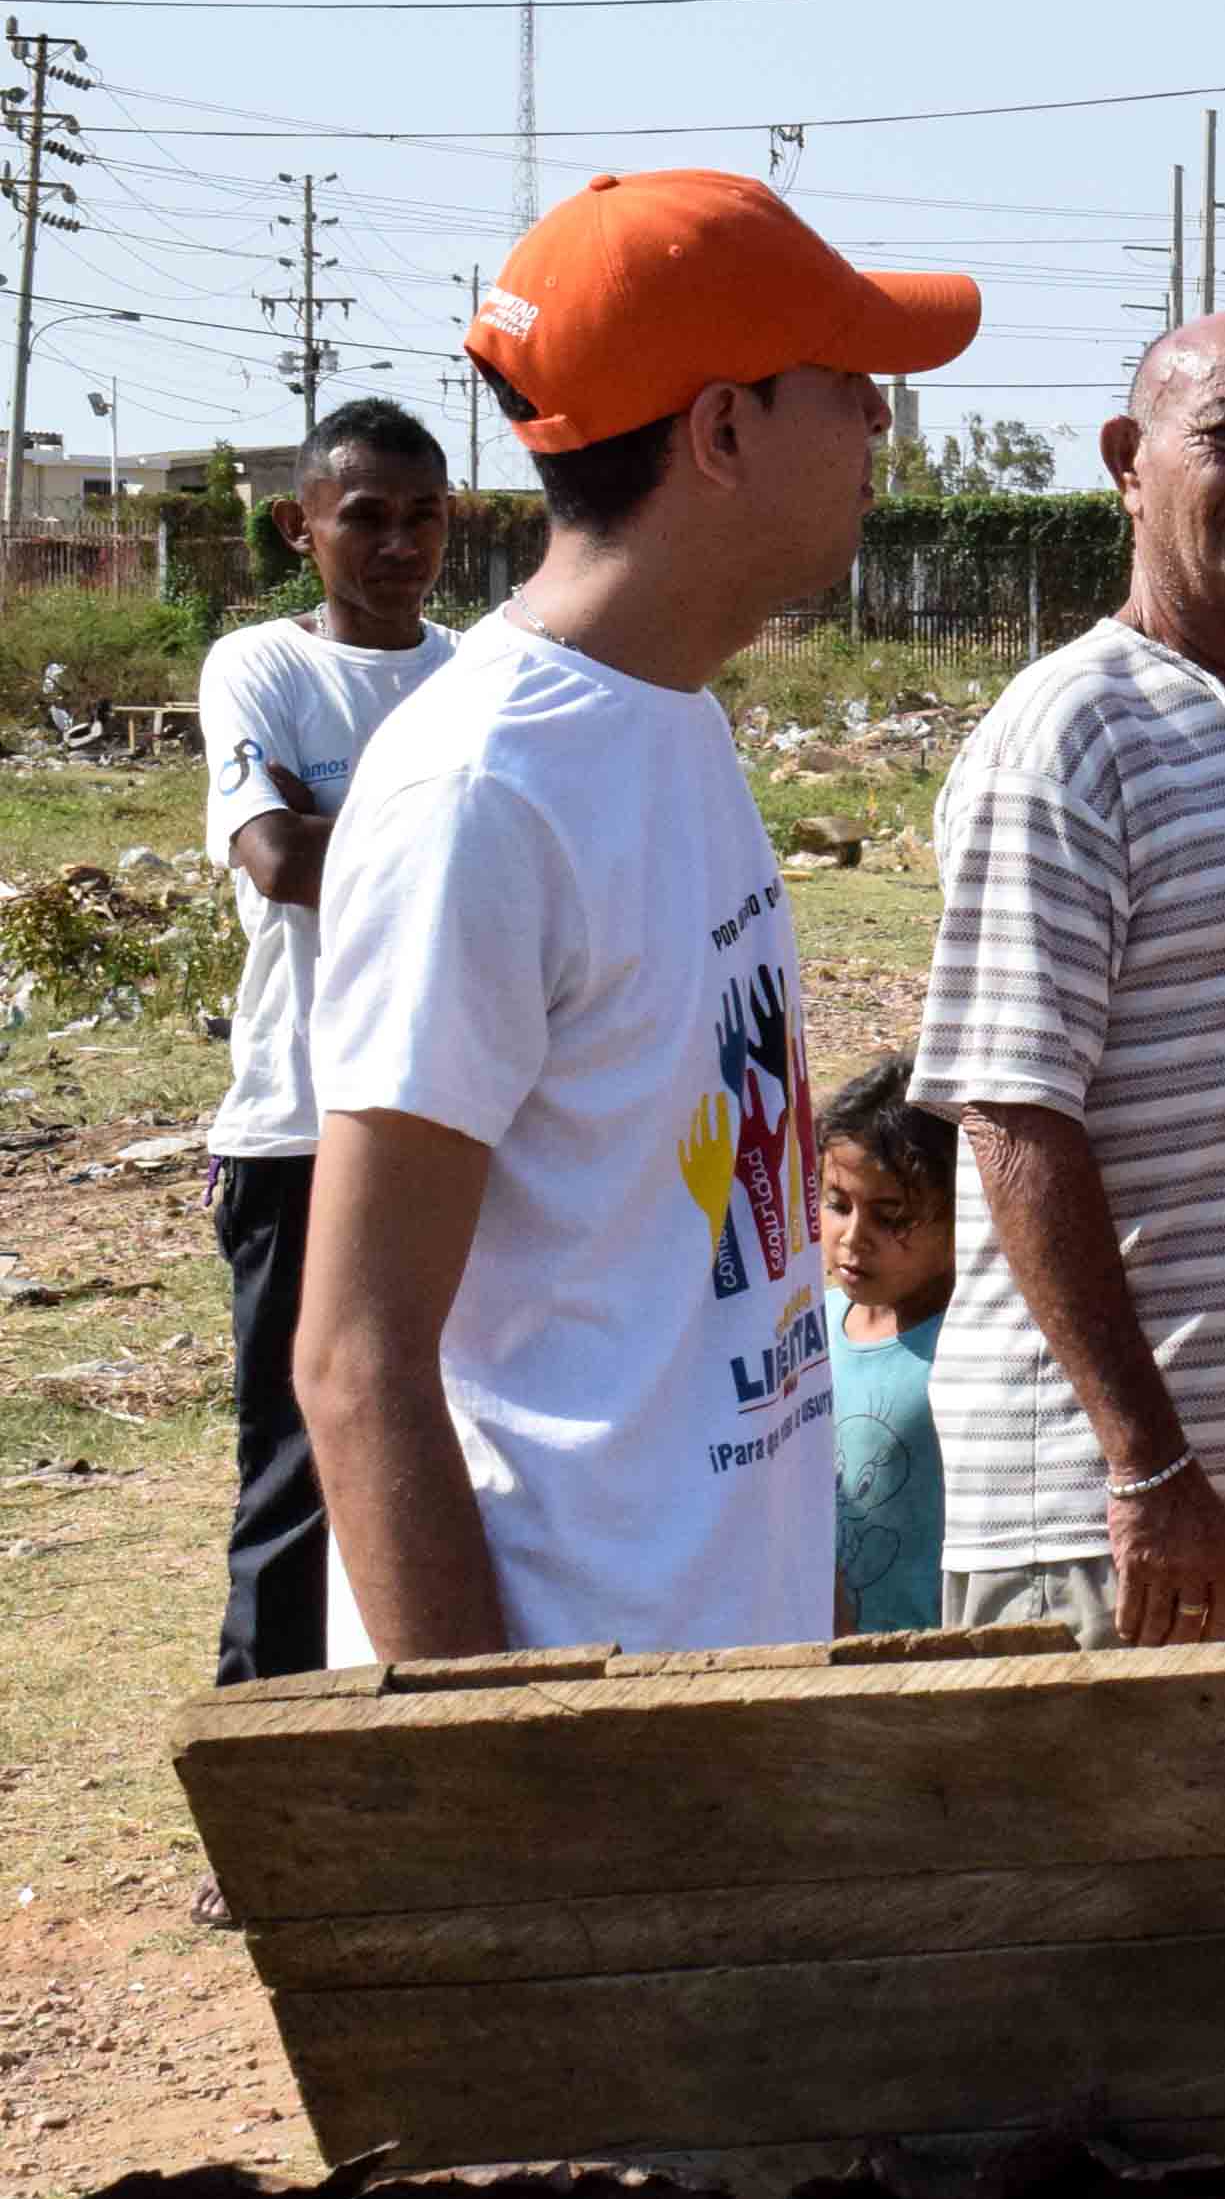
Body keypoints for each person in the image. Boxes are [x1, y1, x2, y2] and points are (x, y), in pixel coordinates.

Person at [298, 170, 975, 1661]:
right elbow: (356, 1357)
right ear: (722, 429)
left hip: (734, 1682)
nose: (879, 422)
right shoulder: (485, 791)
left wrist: (814, 1592)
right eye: (849, 383)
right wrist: (499, 1776)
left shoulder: (675, 720)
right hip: (588, 1732)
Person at [909, 312, 1225, 1652]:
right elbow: (1016, 1116)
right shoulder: (1070, 732)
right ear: (1129, 464)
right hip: (1124, 1517)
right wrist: (1142, 1460)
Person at [193, 395, 456, 1687]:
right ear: (303, 527)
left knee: (447, 1442)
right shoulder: (263, 669)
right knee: (297, 1466)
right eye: (366, 516)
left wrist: (341, 823)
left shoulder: (479, 672)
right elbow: (276, 853)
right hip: (300, 1123)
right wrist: (459, 837)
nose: (398, 543)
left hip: (453, 1121)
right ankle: (267, 1769)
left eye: (424, 516)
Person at [818, 1054, 955, 1637]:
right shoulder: (808, 1329)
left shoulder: (965, 1349)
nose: (853, 1239)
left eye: (890, 1215)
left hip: (927, 1663)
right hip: (809, 1662)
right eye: (838, 1204)